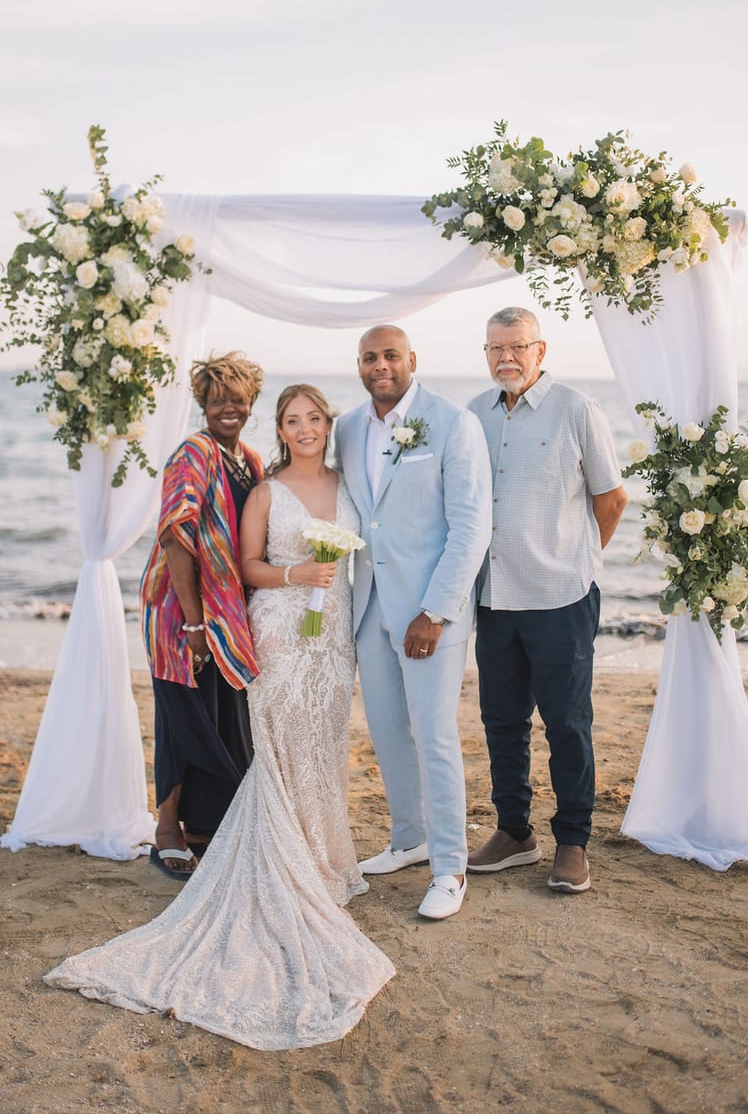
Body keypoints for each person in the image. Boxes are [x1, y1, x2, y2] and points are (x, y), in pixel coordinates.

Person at [45, 383, 394, 1051]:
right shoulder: (234, 471)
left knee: (318, 744)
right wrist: (220, 613)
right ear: (279, 424)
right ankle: (185, 830)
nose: (304, 428)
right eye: (292, 420)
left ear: (328, 423)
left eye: (314, 418)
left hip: (332, 633)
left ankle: (322, 854)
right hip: (245, 622)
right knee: (251, 735)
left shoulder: (273, 466)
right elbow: (226, 553)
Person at [466, 307, 627, 893]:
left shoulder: (577, 410)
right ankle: (514, 832)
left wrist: (577, 561)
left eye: (517, 347)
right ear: (485, 354)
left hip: (561, 596)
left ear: (541, 350)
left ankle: (573, 842)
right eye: (495, 348)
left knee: (567, 724)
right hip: (495, 597)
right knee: (502, 721)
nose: (505, 358)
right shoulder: (473, 416)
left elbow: (611, 499)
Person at [336, 325, 492, 921]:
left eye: (391, 356)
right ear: (359, 365)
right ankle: (409, 839)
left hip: (430, 613)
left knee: (434, 736)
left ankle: (450, 867)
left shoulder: (453, 423)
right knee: (387, 732)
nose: (382, 366)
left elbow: (472, 527)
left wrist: (436, 611)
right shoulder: (349, 428)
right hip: (371, 605)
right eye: (371, 357)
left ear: (412, 361)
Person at [141, 351, 264, 878]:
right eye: (217, 401)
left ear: (251, 403)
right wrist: (194, 624)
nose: (228, 409)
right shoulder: (195, 452)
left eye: (237, 400)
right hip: (178, 613)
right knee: (182, 718)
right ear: (203, 404)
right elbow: (175, 536)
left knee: (219, 716)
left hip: (225, 618)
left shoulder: (251, 460)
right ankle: (166, 832)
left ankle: (201, 828)